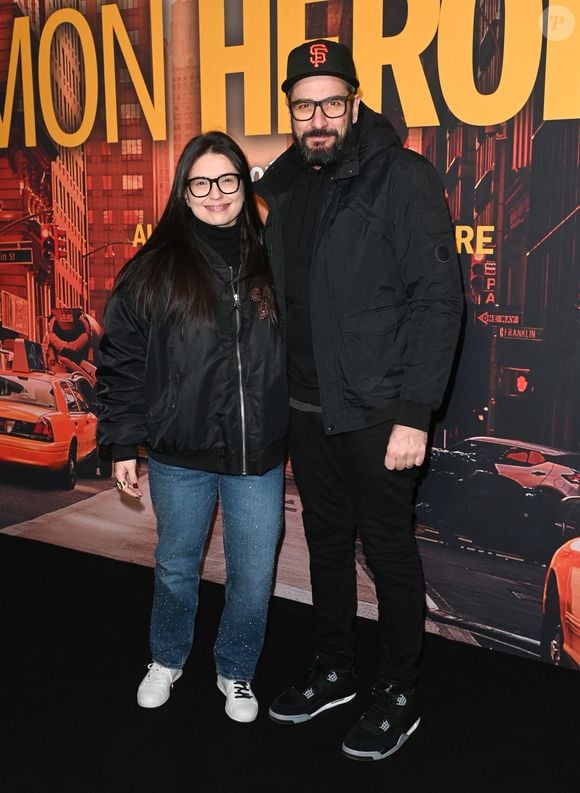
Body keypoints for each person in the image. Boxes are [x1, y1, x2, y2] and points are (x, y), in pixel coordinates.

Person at [255, 40, 463, 760]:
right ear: (292, 110)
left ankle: (398, 691)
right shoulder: (280, 186)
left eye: (330, 102)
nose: (317, 118)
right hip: (308, 410)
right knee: (324, 545)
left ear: (354, 102)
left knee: (391, 553)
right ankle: (337, 667)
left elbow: (438, 299)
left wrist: (415, 411)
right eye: (303, 105)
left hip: (379, 413)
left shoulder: (402, 177)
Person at [96, 131, 288, 723]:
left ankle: (236, 670)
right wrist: (122, 440)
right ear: (184, 190)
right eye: (200, 183)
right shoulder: (152, 269)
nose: (215, 194)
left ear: (243, 184)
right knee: (177, 566)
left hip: (258, 456)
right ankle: (167, 659)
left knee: (254, 576)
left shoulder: (274, 260)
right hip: (180, 454)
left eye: (226, 180)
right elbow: (121, 362)